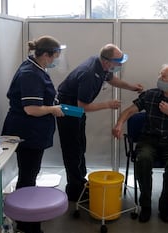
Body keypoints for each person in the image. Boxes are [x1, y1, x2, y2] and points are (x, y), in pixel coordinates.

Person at [56, 44, 143, 202]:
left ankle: (80, 182)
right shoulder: (89, 74)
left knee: (80, 145)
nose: (121, 65)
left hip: (75, 109)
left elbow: (112, 79)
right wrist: (108, 104)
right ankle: (75, 191)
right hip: (68, 110)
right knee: (73, 149)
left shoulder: (100, 64)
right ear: (107, 62)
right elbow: (83, 107)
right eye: (118, 61)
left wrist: (132, 87)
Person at [112, 64, 168, 223]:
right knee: (143, 159)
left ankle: (165, 203)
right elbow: (130, 111)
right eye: (160, 75)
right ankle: (145, 205)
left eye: (163, 76)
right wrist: (119, 124)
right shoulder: (150, 95)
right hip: (149, 140)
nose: (159, 78)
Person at [1, 35, 65, 233]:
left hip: (32, 130)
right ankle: (28, 224)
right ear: (45, 55)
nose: (54, 61)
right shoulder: (31, 73)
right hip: (27, 131)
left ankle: (26, 219)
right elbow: (31, 109)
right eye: (53, 57)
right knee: (28, 176)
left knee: (29, 173)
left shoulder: (34, 67)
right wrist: (53, 109)